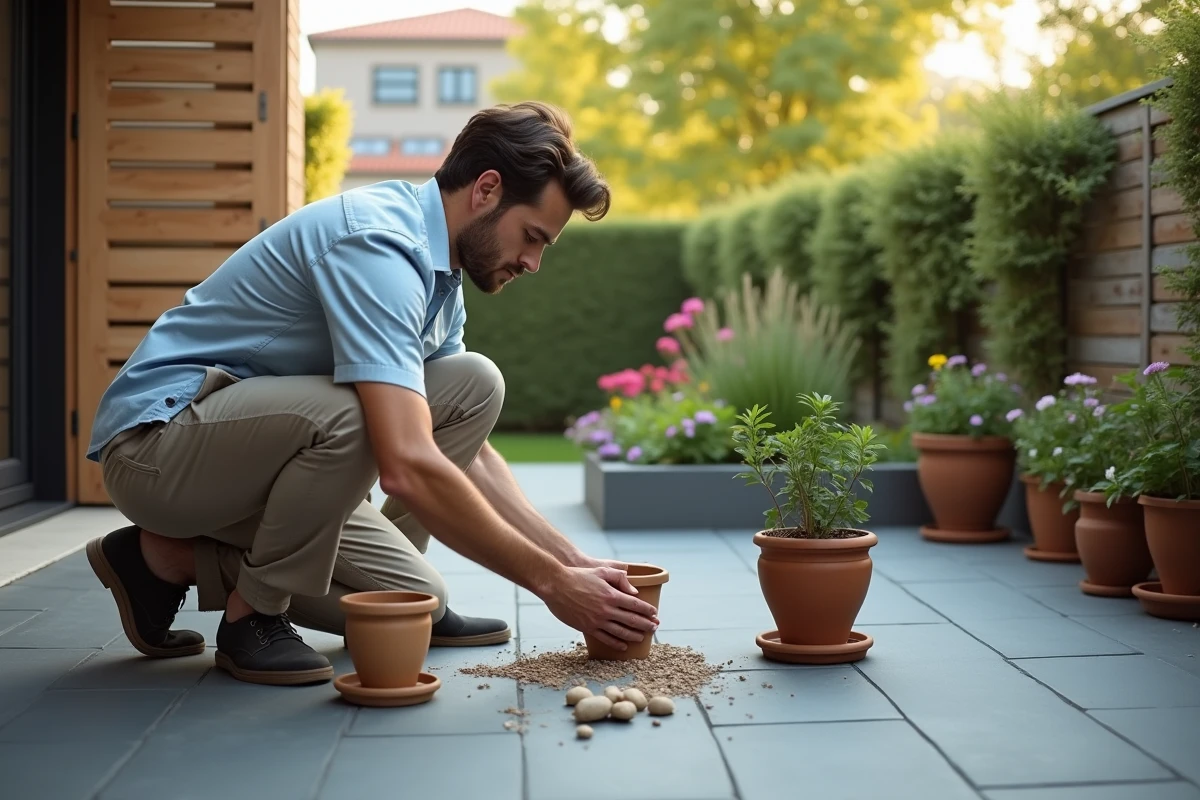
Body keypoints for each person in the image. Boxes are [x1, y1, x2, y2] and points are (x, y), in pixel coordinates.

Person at [83, 101, 660, 687]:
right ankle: (252, 616)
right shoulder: (380, 246)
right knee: (360, 414)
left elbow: (471, 452)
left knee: (471, 395)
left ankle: (159, 562)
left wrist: (575, 562)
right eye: (533, 237)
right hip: (160, 447)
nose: (534, 263)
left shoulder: (441, 274)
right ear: (486, 190)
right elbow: (407, 461)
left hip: (258, 456)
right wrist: (550, 584)